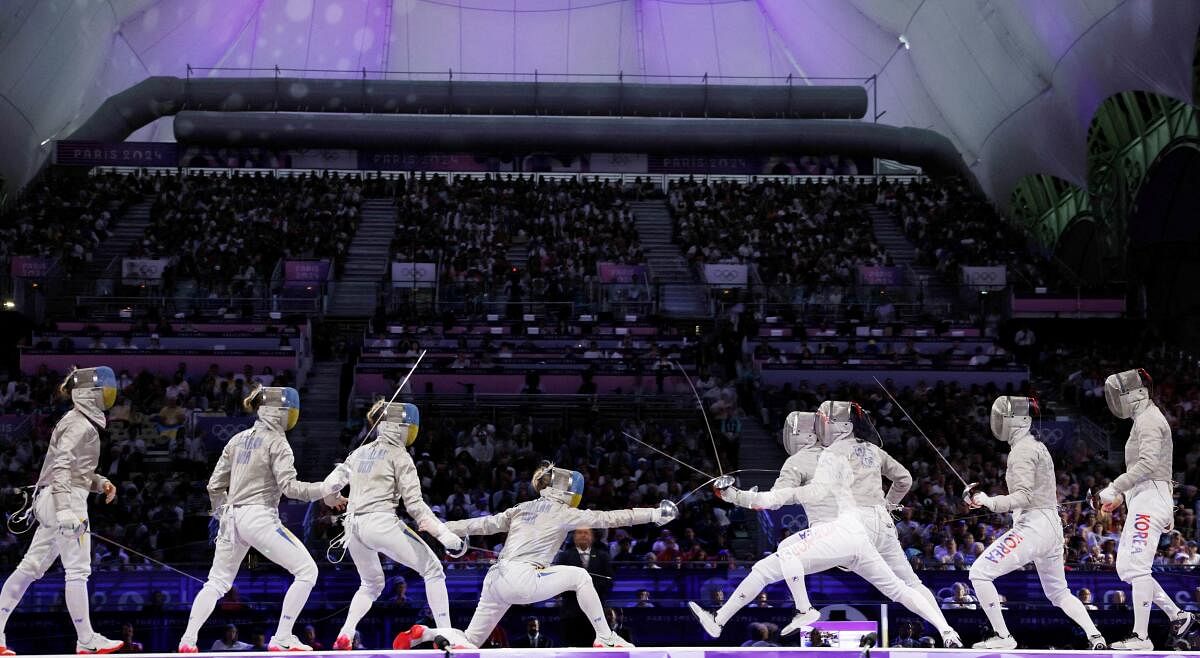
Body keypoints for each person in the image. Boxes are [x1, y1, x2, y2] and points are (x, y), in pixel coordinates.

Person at [690, 403, 963, 648]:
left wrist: (737, 496)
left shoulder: (810, 460)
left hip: (836, 535)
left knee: (784, 551)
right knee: (903, 586)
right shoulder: (856, 451)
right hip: (869, 529)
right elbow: (901, 478)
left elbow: (780, 498)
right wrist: (887, 506)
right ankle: (946, 629)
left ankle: (804, 609)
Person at [399, 461, 676, 649]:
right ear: (565, 490)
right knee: (580, 576)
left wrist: (439, 526)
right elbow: (612, 518)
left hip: (495, 579)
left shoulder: (522, 507)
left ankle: (428, 633)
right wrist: (654, 514)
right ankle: (606, 637)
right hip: (523, 579)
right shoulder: (564, 512)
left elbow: (483, 523)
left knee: (470, 641)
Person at [178, 385, 347, 652]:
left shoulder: (237, 440)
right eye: (289, 411)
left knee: (217, 582)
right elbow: (291, 489)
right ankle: (281, 637)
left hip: (232, 518)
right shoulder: (277, 442)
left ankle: (187, 639)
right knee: (307, 571)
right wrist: (324, 489)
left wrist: (222, 515)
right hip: (259, 517)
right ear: (277, 412)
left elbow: (214, 486)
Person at [0, 367, 124, 654]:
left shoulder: (77, 422)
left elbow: (76, 469)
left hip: (56, 499)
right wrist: (66, 509)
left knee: (29, 568)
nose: (107, 395)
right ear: (85, 394)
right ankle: (86, 640)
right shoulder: (78, 423)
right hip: (64, 501)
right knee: (77, 571)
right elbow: (61, 466)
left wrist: (101, 483)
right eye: (101, 391)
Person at [966, 396, 1106, 649]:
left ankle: (1003, 636)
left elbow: (1023, 496)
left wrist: (988, 500)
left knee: (979, 573)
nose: (1000, 421)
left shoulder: (1022, 451)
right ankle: (1095, 635)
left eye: (1005, 417)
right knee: (1058, 592)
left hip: (1034, 527)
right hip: (1051, 526)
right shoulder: (1036, 446)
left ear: (1020, 420)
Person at [322, 401, 461, 650]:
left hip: (352, 528)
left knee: (372, 584)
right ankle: (448, 634)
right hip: (380, 523)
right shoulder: (400, 456)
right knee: (433, 570)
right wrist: (444, 534)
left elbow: (329, 488)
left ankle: (346, 633)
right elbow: (415, 505)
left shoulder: (359, 453)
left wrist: (335, 499)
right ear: (401, 427)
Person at [1097, 370, 1196, 649]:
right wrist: (1120, 497)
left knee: (1136, 567)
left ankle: (1141, 637)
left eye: (1123, 393)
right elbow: (1144, 469)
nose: (1119, 400)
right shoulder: (1143, 419)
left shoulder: (1150, 419)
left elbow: (1150, 465)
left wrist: (1116, 486)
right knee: (1127, 567)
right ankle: (1178, 616)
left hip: (1151, 498)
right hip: (1145, 497)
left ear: (1139, 393)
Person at [554, 528, 614, 647]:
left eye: (586, 533)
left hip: (596, 614)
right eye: (579, 532)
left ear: (592, 536)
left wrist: (587, 590)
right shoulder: (564, 557)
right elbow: (559, 582)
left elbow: (609, 582)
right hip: (571, 613)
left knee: (596, 650)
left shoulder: (603, 556)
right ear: (574, 536)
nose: (583, 535)